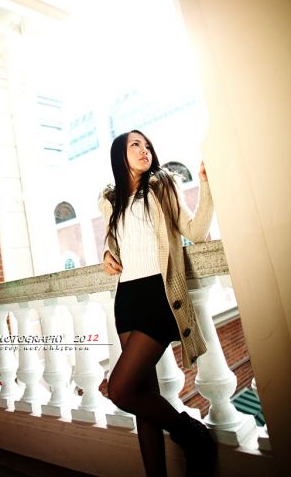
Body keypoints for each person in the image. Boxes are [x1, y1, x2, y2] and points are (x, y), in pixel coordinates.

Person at [99, 129, 217, 477]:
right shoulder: (110, 199)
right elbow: (113, 239)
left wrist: (206, 184)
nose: (144, 149)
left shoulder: (163, 186)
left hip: (158, 296)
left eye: (147, 145)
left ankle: (191, 434)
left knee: (120, 390)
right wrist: (106, 252)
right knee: (142, 394)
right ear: (120, 155)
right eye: (135, 145)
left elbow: (195, 231)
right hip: (127, 299)